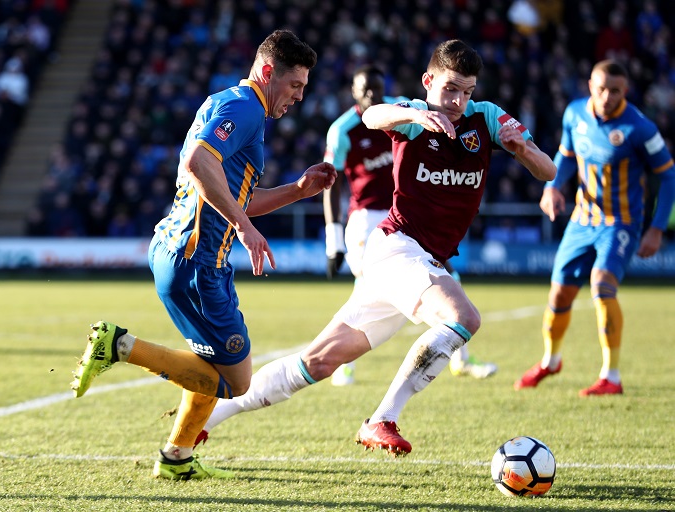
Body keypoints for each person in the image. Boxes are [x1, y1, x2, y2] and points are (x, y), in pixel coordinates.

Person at [193, 39, 556, 460]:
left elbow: (547, 170)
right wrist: (415, 113)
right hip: (396, 248)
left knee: (318, 363)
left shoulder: (486, 118)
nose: (458, 100)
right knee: (463, 318)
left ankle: (209, 419)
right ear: (428, 81)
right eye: (450, 88)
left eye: (467, 91)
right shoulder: (408, 114)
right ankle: (382, 419)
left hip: (417, 261)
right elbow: (372, 116)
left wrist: (523, 149)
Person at [70, 29, 336, 480]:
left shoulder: (229, 104)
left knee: (209, 361)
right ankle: (118, 345)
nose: (299, 97)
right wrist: (245, 228)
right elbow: (197, 162)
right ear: (268, 72)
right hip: (194, 262)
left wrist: (297, 190)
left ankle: (177, 457)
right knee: (236, 382)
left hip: (185, 255)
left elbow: (230, 194)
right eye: (295, 85)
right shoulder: (245, 108)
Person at [323, 64, 497, 386]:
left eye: (378, 88)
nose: (374, 95)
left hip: (407, 215)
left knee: (448, 278)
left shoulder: (402, 110)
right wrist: (332, 238)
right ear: (354, 94)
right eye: (367, 91)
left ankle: (460, 359)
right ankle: (343, 362)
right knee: (366, 289)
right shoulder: (343, 129)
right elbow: (331, 184)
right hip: (365, 219)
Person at [514, 60, 675, 396]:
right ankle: (550, 361)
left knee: (601, 284)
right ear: (590, 85)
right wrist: (552, 187)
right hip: (582, 220)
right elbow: (566, 155)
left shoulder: (640, 128)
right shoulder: (574, 114)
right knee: (558, 294)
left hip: (621, 223)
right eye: (601, 88)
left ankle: (611, 377)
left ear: (625, 91)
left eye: (615, 90)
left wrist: (657, 228)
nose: (607, 96)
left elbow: (668, 175)